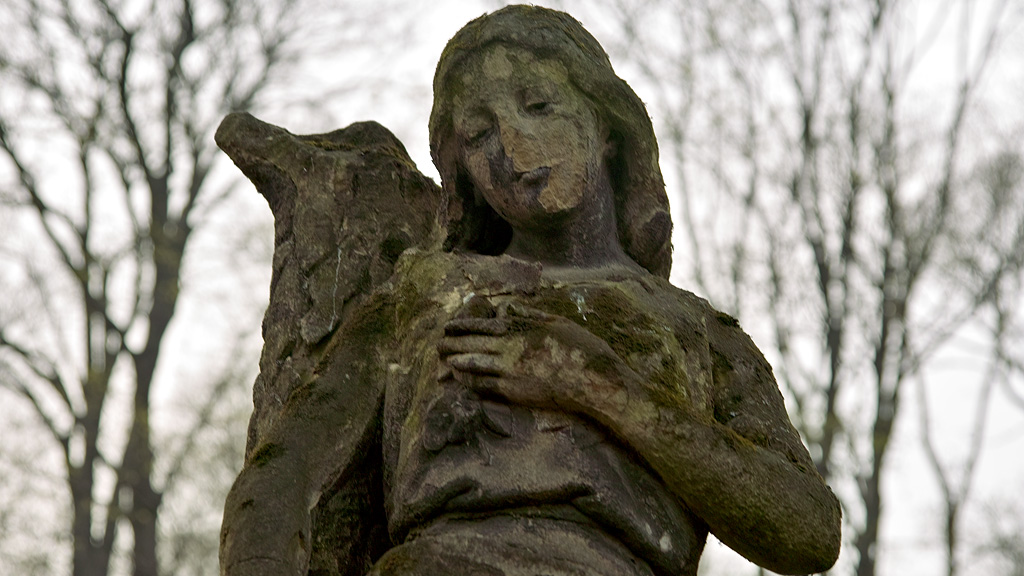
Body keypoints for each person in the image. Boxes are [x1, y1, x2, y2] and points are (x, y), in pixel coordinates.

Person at [218, 6, 841, 576]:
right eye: (479, 134)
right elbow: (285, 471)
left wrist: (601, 388)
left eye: (538, 106)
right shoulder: (424, 295)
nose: (513, 151)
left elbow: (808, 531)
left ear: (606, 125)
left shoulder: (697, 330)